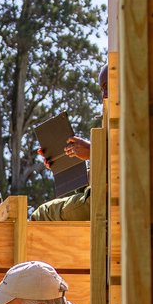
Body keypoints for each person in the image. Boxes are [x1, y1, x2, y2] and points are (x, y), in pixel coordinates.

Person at [30, 64, 109, 222]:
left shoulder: (131, 120)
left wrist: (92, 152)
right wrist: (65, 159)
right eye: (102, 89)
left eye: (108, 86)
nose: (104, 95)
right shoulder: (109, 119)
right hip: (95, 190)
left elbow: (128, 159)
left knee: (40, 215)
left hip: (102, 199)